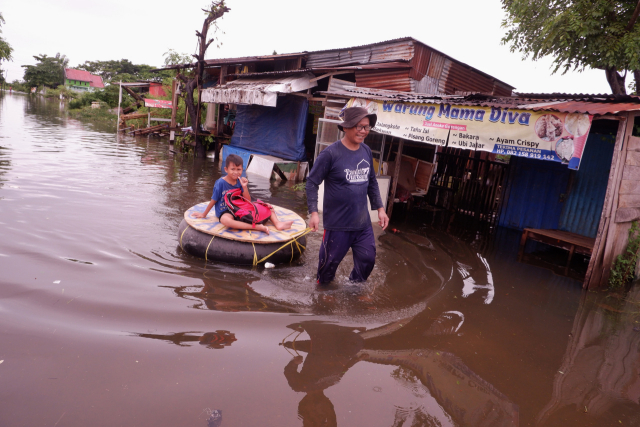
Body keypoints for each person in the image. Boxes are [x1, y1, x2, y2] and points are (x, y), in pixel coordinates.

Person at [306, 107, 389, 284]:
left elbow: (372, 182)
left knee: (368, 260)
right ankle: (323, 293)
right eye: (359, 127)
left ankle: (355, 289)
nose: (363, 131)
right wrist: (313, 213)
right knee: (328, 266)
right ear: (346, 127)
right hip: (337, 224)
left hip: (362, 223)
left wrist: (380, 209)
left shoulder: (366, 151)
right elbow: (312, 182)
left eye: (366, 127)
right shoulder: (330, 154)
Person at [194, 154, 292, 234]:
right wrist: (204, 214)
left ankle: (277, 223)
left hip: (239, 208)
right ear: (226, 169)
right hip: (226, 210)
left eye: (238, 169)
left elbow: (248, 200)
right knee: (226, 221)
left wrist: (244, 187)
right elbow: (214, 199)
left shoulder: (240, 181)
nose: (236, 172)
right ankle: (256, 227)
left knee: (267, 206)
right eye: (232, 169)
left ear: (242, 169)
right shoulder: (220, 183)